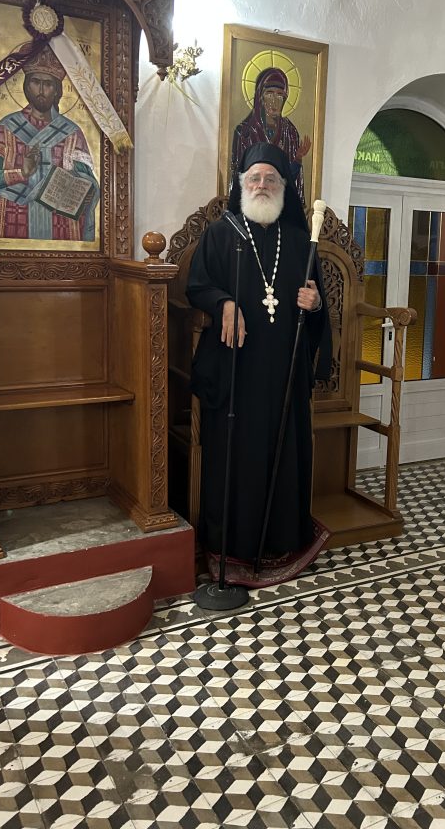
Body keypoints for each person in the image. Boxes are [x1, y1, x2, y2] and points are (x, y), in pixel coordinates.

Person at [187, 142, 331, 586]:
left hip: (284, 373)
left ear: (283, 186)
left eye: (271, 178)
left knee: (283, 454)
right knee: (237, 457)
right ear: (241, 184)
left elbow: (317, 305)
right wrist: (224, 303)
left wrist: (315, 303)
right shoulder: (221, 234)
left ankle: (282, 542)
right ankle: (232, 548)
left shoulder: (301, 241)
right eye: (255, 178)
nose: (262, 185)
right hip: (238, 372)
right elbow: (197, 286)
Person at [0, 46, 100, 241]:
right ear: (26, 86)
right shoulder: (7, 127)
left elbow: (89, 186)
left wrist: (69, 183)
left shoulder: (72, 132)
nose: (41, 90)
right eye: (35, 82)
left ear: (57, 90)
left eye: (48, 84)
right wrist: (21, 173)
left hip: (61, 225)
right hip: (15, 222)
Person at [232, 67, 312, 205]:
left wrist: (298, 158)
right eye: (269, 94)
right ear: (260, 97)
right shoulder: (245, 132)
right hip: (252, 205)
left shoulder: (290, 132)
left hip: (280, 206)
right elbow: (239, 175)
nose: (275, 100)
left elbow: (289, 179)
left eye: (280, 95)